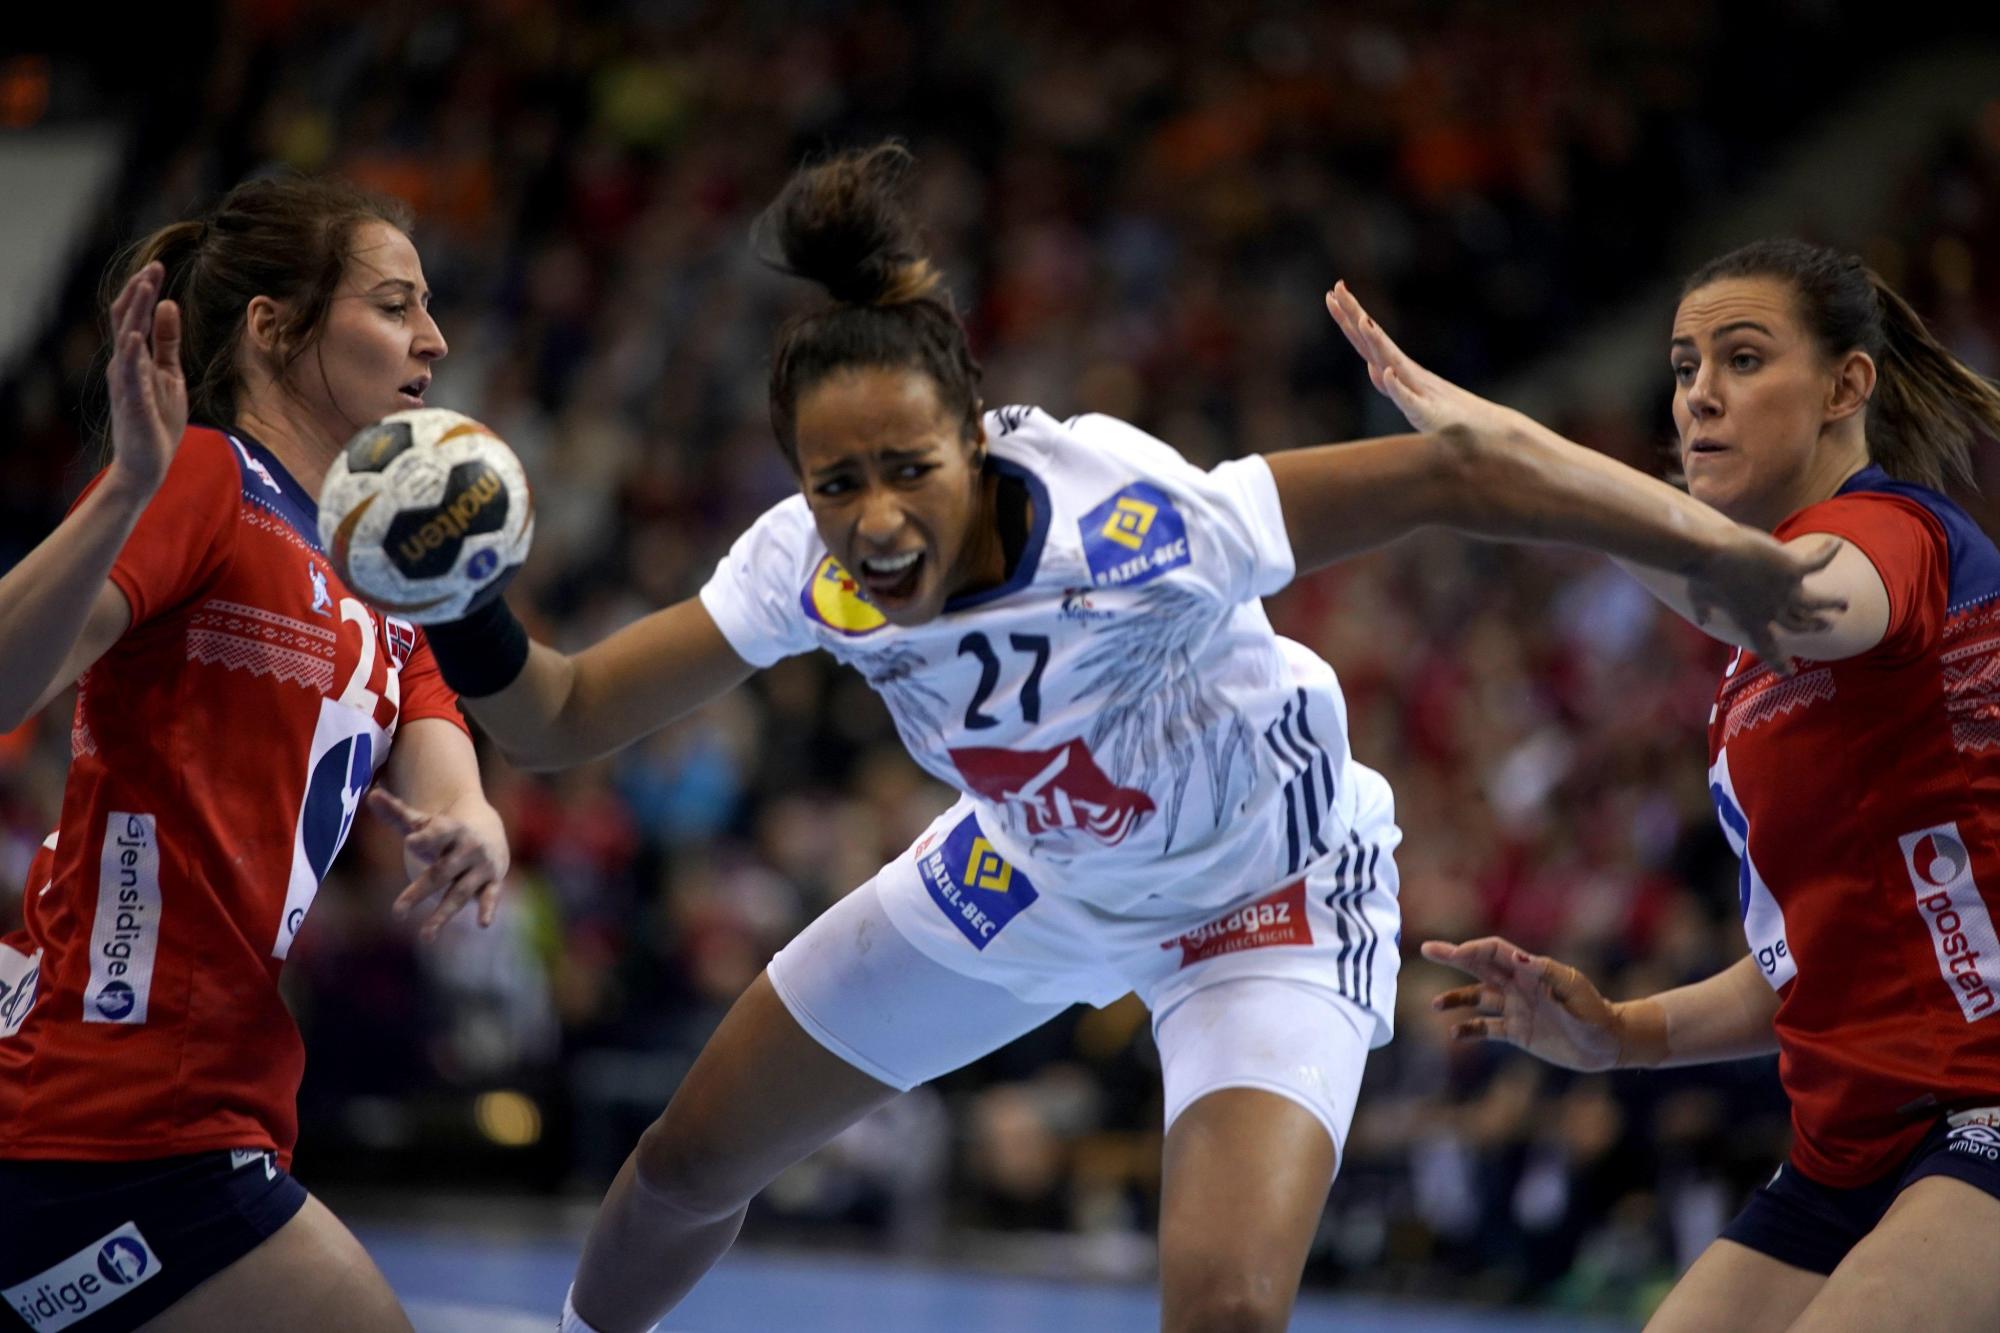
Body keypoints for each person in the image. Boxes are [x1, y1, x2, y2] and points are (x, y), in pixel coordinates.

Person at [413, 145, 1833, 1333]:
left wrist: (1728, 557)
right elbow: (563, 713)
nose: (879, 515)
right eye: (837, 482)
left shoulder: (1131, 523)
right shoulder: (807, 566)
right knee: (682, 1163)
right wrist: (454, 599)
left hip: (1262, 903)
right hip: (1030, 872)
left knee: (1221, 1314)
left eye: (910, 467)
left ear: (975, 438)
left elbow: (1461, 474)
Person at [1333, 240, 2000, 1331]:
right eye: (1684, 366)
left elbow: (1781, 595)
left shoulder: (1895, 539)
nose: (1698, 395)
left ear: (1845, 386)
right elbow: (1808, 959)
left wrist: (1531, 466)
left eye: (1740, 360)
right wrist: (1619, 1034)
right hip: (1847, 1145)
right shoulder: (1742, 685)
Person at [0, 176, 509, 1333]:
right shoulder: (205, 479)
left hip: (203, 1090)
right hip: (113, 1108)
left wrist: (472, 827)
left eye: (428, 307)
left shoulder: (383, 575)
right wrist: (130, 481)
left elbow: (443, 763)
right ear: (274, 326)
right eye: (393, 304)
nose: (432, 337)